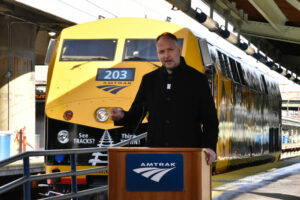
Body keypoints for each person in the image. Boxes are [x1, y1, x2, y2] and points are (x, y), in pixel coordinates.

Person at [110, 32, 219, 165]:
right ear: (157, 54)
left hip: (189, 155)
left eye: (170, 50)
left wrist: (210, 147)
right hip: (156, 155)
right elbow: (137, 113)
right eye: (161, 51)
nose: (166, 55)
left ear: (179, 50)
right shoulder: (149, 80)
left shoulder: (197, 80)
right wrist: (121, 115)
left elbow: (210, 119)